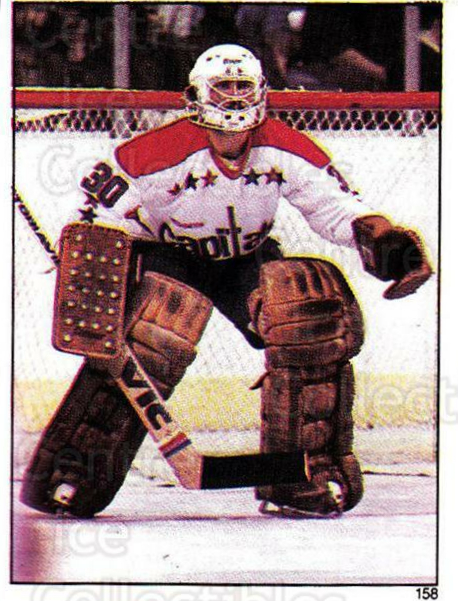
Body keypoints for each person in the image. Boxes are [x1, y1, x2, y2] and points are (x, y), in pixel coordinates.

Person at [21, 44, 432, 519]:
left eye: (243, 87)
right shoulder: (156, 151)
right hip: (168, 256)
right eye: (223, 88)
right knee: (154, 334)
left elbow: (336, 206)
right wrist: (91, 276)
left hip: (244, 258)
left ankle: (300, 477)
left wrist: (385, 241)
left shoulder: (283, 144)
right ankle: (72, 470)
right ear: (196, 96)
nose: (234, 98)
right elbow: (94, 215)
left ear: (261, 92)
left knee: (309, 317)